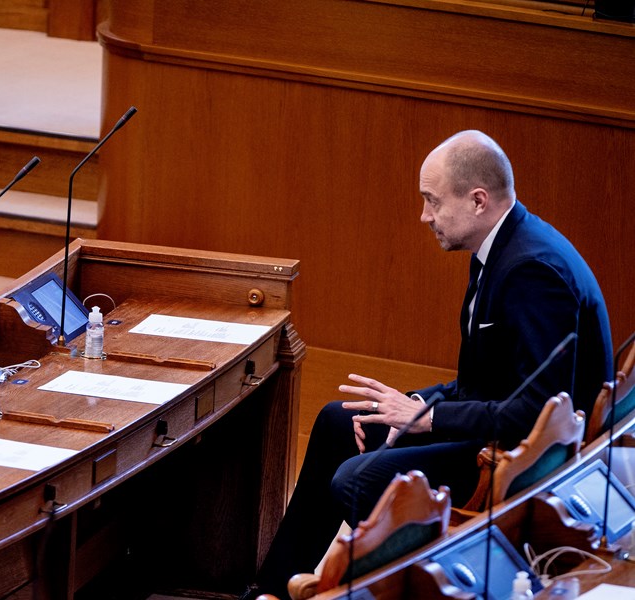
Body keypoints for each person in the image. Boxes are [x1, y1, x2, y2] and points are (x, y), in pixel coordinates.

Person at [251, 130, 612, 599]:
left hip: (519, 464)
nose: (424, 216)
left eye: (432, 201)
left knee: (358, 480)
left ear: (478, 200)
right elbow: (488, 382)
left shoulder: (531, 271)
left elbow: (539, 413)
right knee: (341, 422)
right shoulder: (501, 248)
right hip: (498, 434)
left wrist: (429, 418)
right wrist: (415, 404)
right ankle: (273, 590)